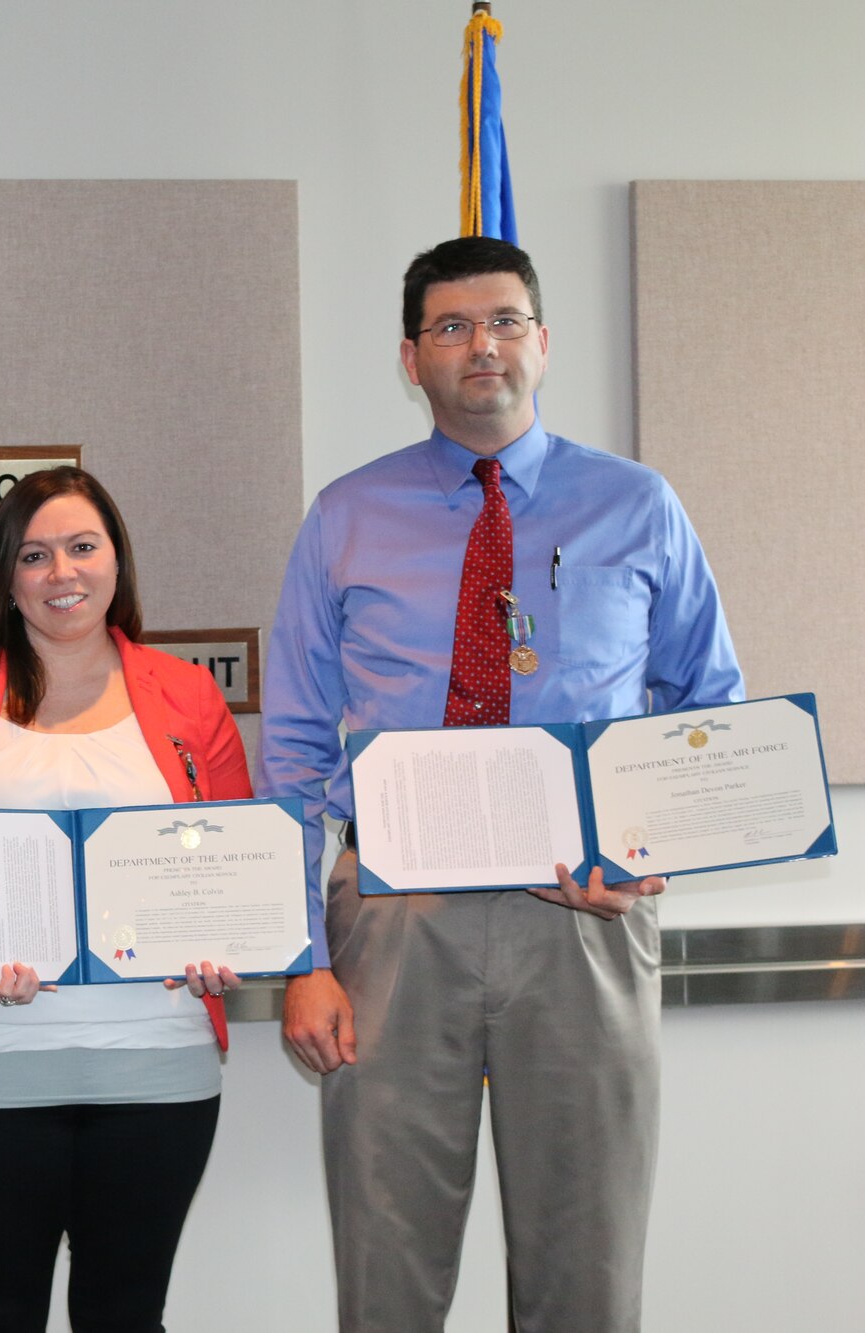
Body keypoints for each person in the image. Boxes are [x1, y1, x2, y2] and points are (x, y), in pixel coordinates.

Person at [261, 236, 743, 1333]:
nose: (480, 345)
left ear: (541, 342)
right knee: (387, 1268)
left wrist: (642, 851)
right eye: (450, 327)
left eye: (502, 321)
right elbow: (291, 747)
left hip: (580, 917)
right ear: (409, 357)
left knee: (588, 1257)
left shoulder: (635, 503)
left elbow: (706, 707)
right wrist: (298, 955)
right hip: (391, 922)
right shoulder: (344, 516)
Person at [0, 466, 257, 1333]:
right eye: (35, 555)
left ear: (117, 560)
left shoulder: (189, 695)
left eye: (82, 546)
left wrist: (226, 941)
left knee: (127, 1318)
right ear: (7, 577)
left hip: (157, 1057)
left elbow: (235, 857)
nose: (62, 572)